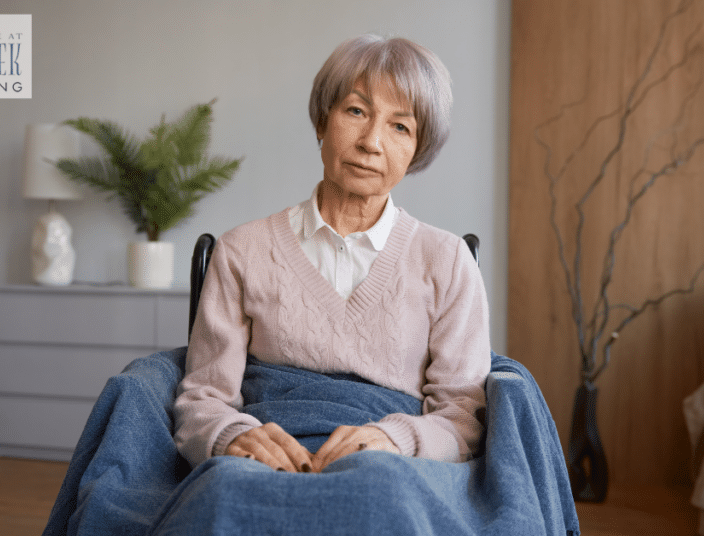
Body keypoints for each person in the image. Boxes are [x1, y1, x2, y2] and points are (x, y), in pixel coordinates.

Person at [173, 33, 490, 475]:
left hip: (394, 465)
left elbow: (463, 416)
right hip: (266, 460)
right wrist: (232, 436)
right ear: (323, 122)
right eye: (357, 111)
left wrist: (395, 440)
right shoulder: (241, 250)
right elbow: (204, 398)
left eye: (400, 126)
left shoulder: (448, 260)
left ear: (417, 150)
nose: (371, 142)